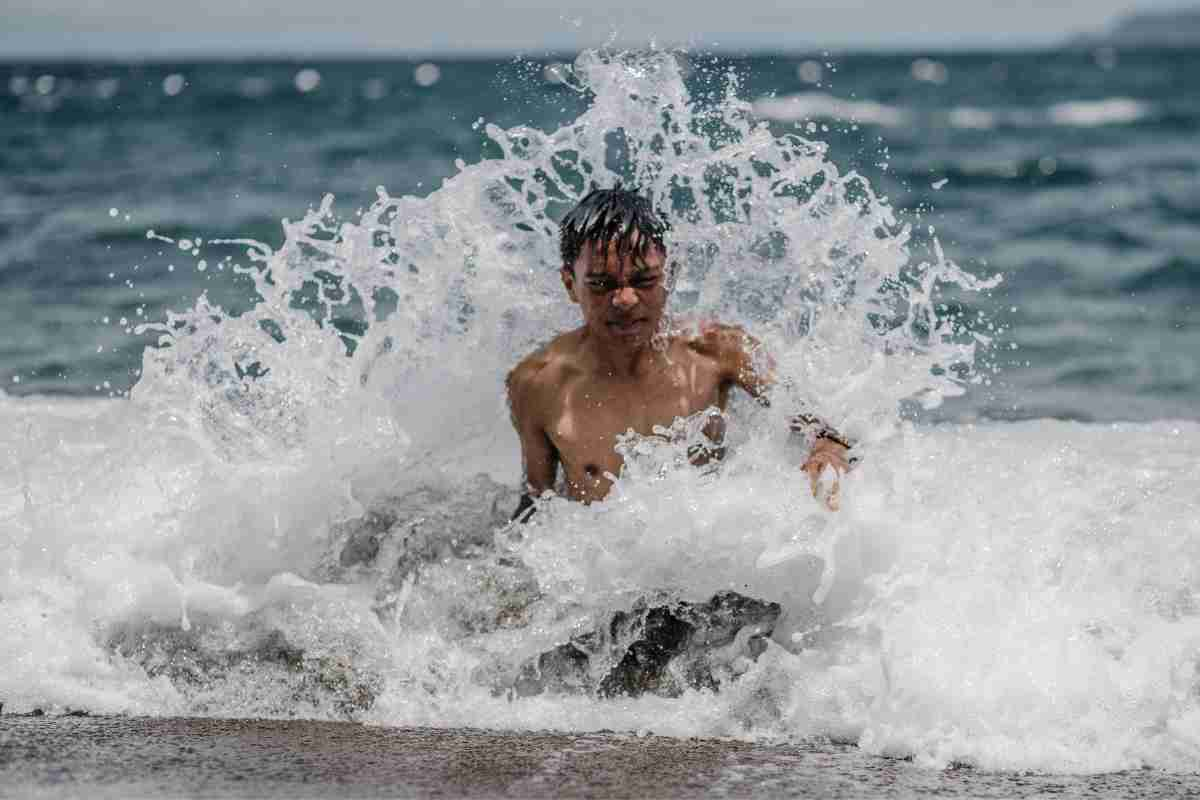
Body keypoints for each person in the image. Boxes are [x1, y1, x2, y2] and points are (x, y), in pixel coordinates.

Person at [506, 187, 853, 521]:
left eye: (643, 281)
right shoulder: (538, 383)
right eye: (601, 284)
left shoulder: (720, 352)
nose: (625, 300)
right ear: (570, 284)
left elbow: (823, 430)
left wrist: (825, 455)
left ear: (669, 275)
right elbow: (536, 507)